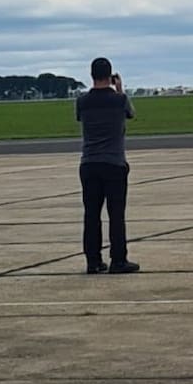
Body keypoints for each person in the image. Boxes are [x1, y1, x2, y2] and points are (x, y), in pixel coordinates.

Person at [76, 56, 140, 275]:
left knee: (91, 215)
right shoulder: (119, 100)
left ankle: (93, 261)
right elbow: (131, 114)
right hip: (113, 162)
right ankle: (118, 260)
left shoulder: (82, 101)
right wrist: (120, 89)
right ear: (111, 75)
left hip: (89, 162)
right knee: (116, 214)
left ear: (92, 75)